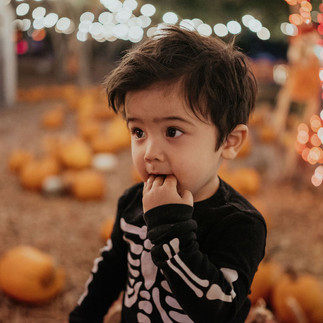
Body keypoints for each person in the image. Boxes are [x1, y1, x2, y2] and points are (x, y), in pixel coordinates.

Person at [69, 25, 266, 323]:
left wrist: (170, 229)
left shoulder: (240, 224)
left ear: (228, 141)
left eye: (172, 131)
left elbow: (222, 310)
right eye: (138, 131)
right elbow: (110, 270)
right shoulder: (133, 202)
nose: (149, 152)